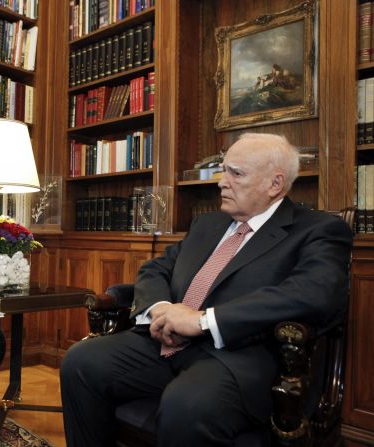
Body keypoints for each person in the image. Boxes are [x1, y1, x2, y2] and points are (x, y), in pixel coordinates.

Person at [60, 133, 353, 446]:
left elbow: (314, 294)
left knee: (187, 404)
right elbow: (156, 269)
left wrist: (203, 321)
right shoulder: (208, 224)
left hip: (238, 356)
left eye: (235, 173)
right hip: (164, 342)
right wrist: (160, 308)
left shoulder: (316, 230)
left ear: (275, 184)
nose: (221, 182)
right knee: (81, 361)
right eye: (223, 170)